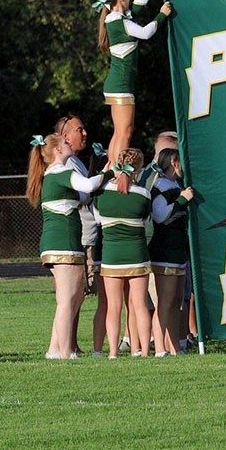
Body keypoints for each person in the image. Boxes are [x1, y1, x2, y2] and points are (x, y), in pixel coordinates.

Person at [26, 134, 112, 359]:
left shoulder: (57, 175)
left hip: (64, 240)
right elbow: (89, 184)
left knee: (72, 298)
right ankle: (65, 352)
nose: (69, 144)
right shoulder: (60, 172)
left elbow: (84, 196)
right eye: (65, 142)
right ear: (56, 150)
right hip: (62, 242)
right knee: (68, 299)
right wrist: (110, 172)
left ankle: (55, 349)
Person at [95, 0, 172, 190]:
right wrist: (162, 16)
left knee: (121, 131)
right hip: (120, 84)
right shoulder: (119, 23)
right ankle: (119, 174)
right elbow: (146, 32)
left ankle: (111, 169)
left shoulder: (120, 17)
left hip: (119, 83)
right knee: (125, 132)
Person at [95, 148, 153, 358]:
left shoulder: (101, 193)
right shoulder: (143, 194)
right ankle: (144, 351)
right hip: (137, 254)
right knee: (139, 305)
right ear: (137, 169)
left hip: (111, 256)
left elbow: (97, 218)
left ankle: (112, 352)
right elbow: (147, 220)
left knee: (113, 306)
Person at [54, 114, 104, 356]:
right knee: (74, 296)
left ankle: (68, 345)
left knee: (76, 296)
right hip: (81, 237)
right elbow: (85, 193)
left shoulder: (76, 161)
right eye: (79, 130)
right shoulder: (68, 163)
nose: (84, 133)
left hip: (84, 235)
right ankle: (67, 346)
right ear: (65, 136)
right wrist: (108, 172)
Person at [149, 148, 195, 356]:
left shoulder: (176, 185)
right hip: (164, 250)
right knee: (165, 302)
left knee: (176, 302)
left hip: (178, 250)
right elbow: (160, 216)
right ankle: (160, 347)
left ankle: (175, 346)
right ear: (174, 162)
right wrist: (182, 200)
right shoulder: (160, 186)